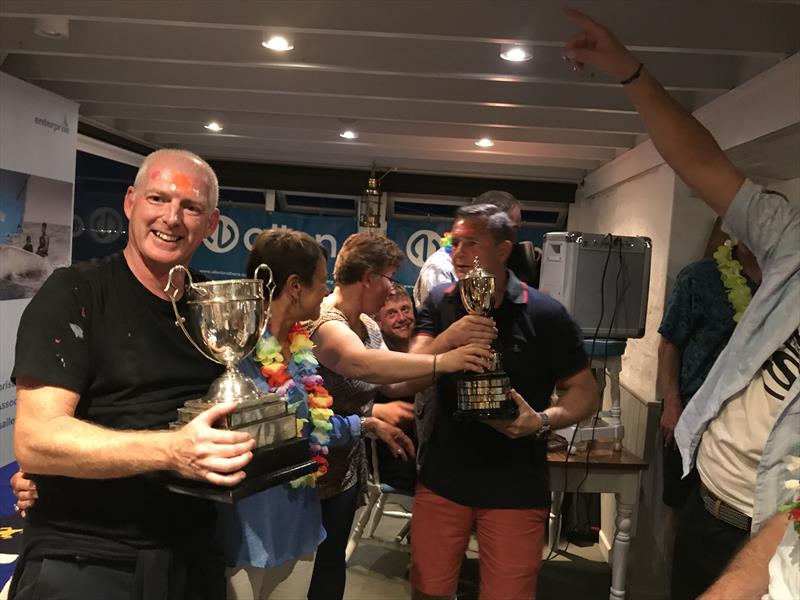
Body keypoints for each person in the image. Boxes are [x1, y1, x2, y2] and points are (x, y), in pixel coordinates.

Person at [563, 8, 800, 599]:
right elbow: (702, 164)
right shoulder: (792, 245)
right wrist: (630, 71)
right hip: (707, 499)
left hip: (779, 538)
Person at [9, 149, 256, 599]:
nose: (172, 218)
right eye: (158, 199)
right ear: (130, 202)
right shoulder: (75, 292)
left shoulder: (212, 309)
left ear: (212, 223)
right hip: (87, 559)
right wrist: (171, 451)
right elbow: (36, 440)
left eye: (191, 207)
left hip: (192, 557)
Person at [408, 203, 599, 599]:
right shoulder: (440, 302)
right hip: (443, 477)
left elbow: (584, 393)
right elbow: (409, 369)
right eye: (454, 242)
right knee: (427, 592)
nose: (458, 253)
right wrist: (451, 339)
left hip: (515, 483)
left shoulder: (546, 313)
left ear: (503, 249)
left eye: (471, 243)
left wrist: (542, 421)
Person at [215, 229, 416, 600]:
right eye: (321, 282)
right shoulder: (237, 353)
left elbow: (312, 427)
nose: (326, 292)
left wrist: (365, 424)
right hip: (249, 527)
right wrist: (440, 361)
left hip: (300, 520)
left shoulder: (299, 346)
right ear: (295, 286)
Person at [307, 231, 492, 600]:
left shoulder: (368, 324)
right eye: (390, 277)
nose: (392, 288)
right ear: (369, 278)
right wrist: (444, 358)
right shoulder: (326, 321)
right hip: (312, 465)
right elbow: (363, 365)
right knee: (289, 573)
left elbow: (393, 385)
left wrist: (449, 363)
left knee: (330, 568)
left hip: (345, 465)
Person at [657, 235, 760, 549]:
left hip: (755, 426)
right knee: (682, 513)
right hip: (694, 415)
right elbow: (669, 344)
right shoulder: (699, 277)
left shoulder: (786, 284)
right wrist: (672, 403)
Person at [413, 190, 523, 309]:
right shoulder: (440, 268)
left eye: (515, 229)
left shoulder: (508, 265)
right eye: (508, 228)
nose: (511, 237)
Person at [372, 284, 418, 491]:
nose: (402, 318)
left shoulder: (426, 346)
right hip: (394, 455)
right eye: (392, 313)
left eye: (405, 309)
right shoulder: (374, 356)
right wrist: (377, 411)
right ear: (378, 322)